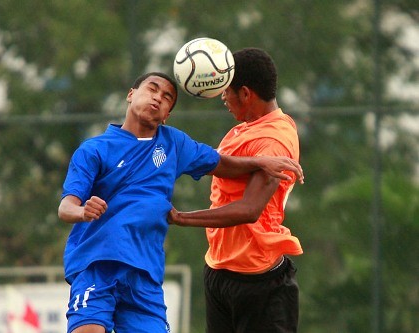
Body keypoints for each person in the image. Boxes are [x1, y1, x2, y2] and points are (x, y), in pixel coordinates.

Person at [58, 71, 304, 333]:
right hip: (97, 265)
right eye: (152, 89)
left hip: (145, 275)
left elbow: (222, 164)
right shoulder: (93, 149)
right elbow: (66, 207)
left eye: (167, 98)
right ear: (131, 95)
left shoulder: (173, 143)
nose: (158, 98)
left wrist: (261, 161)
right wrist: (83, 210)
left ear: (167, 115)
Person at [168, 48, 303, 333]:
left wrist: (180, 217)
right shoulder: (244, 129)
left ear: (245, 94)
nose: (221, 97)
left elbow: (249, 210)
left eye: (225, 90)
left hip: (258, 281)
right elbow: (220, 165)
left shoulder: (273, 140)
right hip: (219, 270)